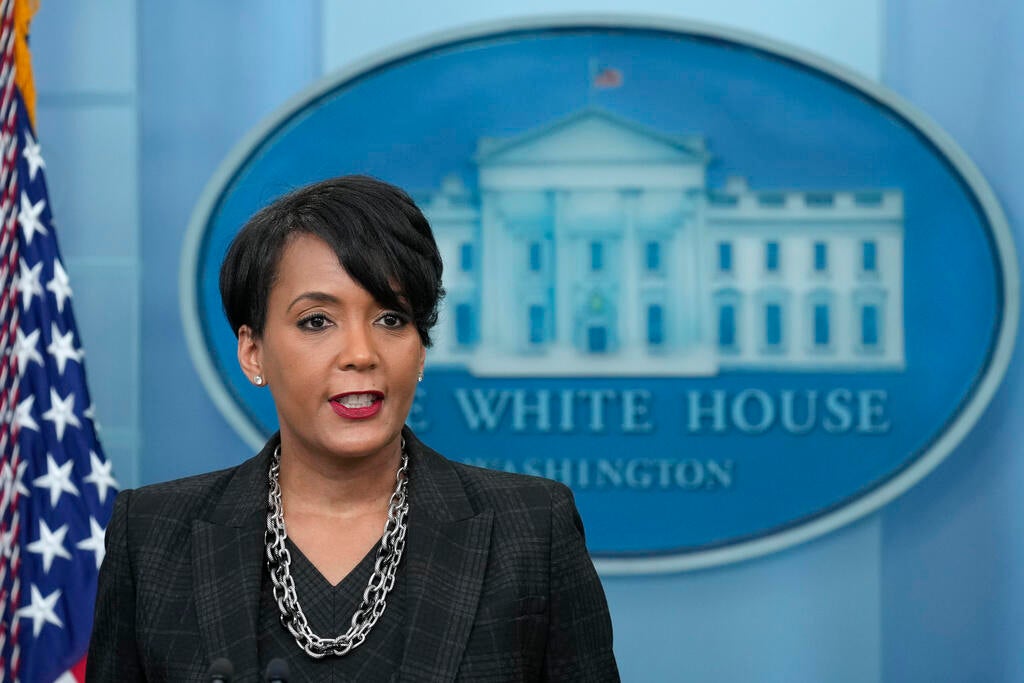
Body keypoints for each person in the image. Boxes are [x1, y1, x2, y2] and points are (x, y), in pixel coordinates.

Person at [86, 175, 619, 681]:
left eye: (391, 319)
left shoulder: (531, 530)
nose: (361, 354)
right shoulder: (152, 537)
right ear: (253, 352)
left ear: (420, 350)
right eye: (317, 321)